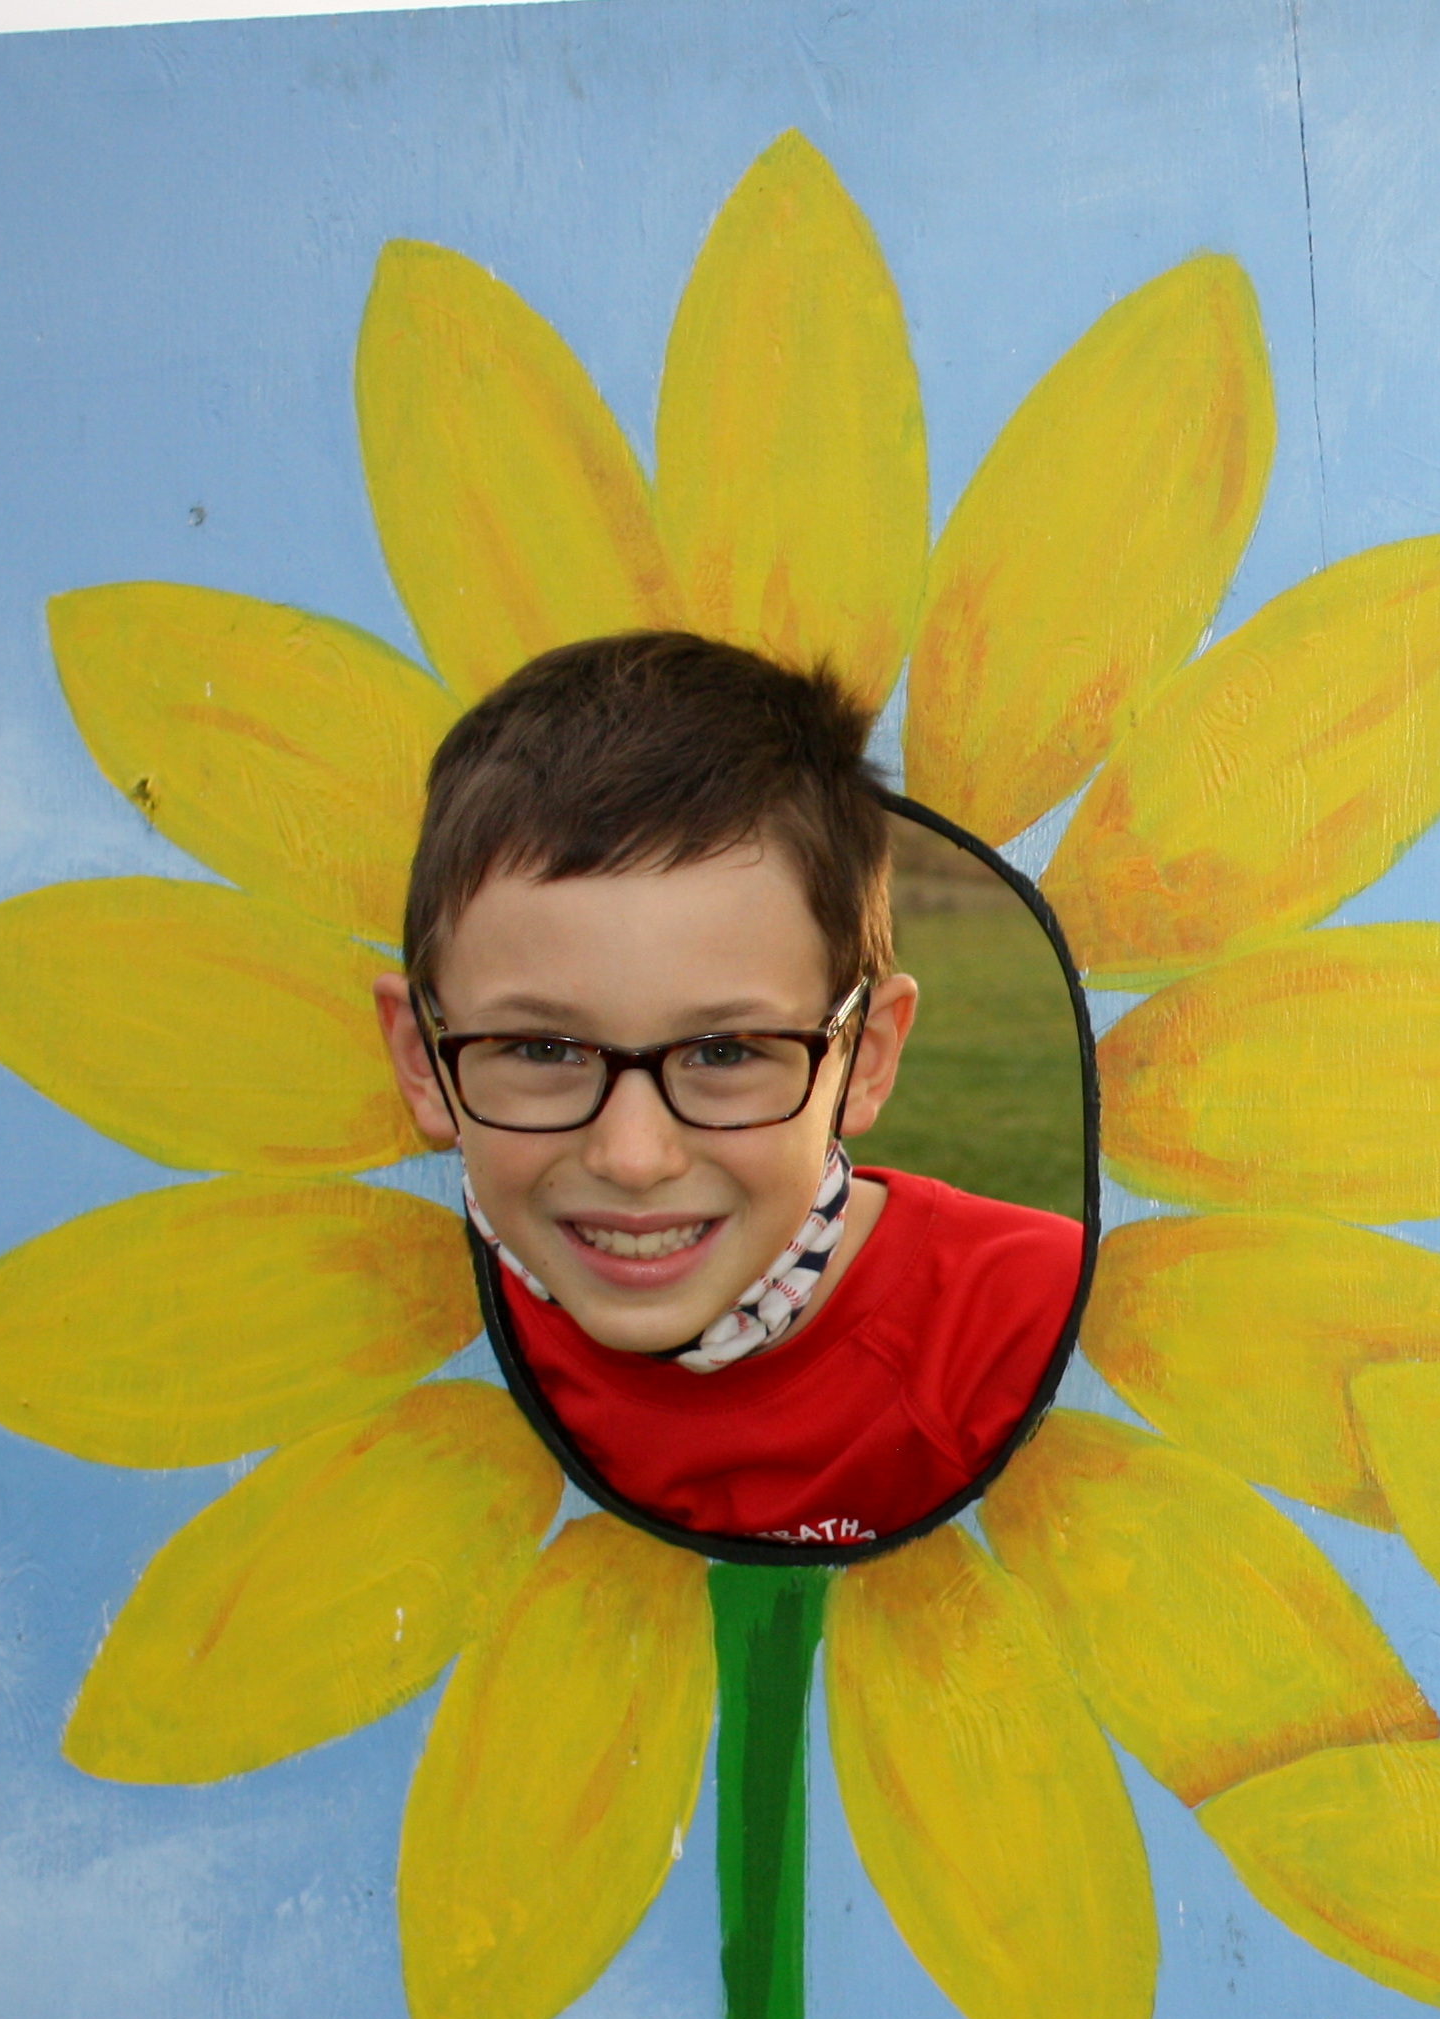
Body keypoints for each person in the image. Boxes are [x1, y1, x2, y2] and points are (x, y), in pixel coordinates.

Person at [370, 631, 1084, 1545]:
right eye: (543, 1049)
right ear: (425, 1061)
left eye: (723, 1053)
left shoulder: (1035, 1329)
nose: (633, 1158)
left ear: (864, 1057)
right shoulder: (361, 1346)